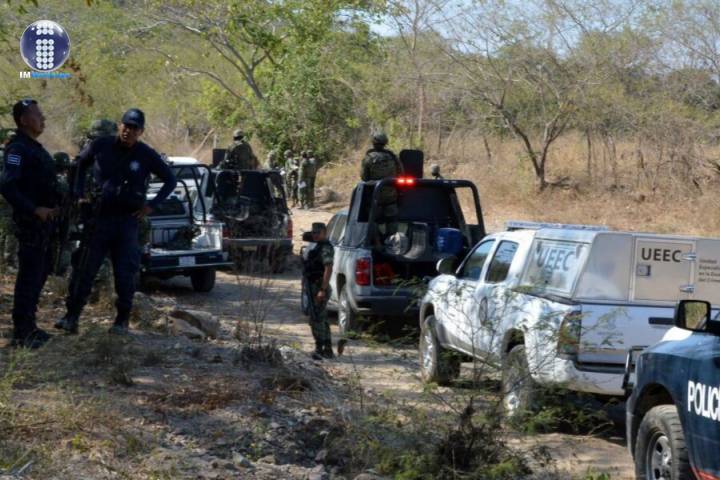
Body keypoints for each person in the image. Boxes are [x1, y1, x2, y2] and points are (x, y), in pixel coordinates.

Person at [55, 108, 177, 335]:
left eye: (134, 128)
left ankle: (121, 321)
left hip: (127, 222)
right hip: (99, 219)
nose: (128, 131)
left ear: (141, 131)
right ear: (120, 125)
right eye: (125, 126)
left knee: (125, 273)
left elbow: (170, 180)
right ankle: (71, 317)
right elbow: (79, 165)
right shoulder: (101, 145)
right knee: (84, 270)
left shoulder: (146, 154)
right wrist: (79, 194)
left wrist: (151, 206)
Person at [0, 99, 61, 348]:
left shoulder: (35, 148)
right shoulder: (17, 150)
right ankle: (22, 332)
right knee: (29, 276)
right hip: (30, 223)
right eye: (38, 115)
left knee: (39, 273)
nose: (43, 118)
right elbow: (6, 185)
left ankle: (30, 326)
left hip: (44, 224)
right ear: (24, 120)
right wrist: (34, 209)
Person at [360, 131, 404, 238]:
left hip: (375, 196)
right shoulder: (393, 157)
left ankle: (377, 242)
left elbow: (364, 177)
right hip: (391, 197)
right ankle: (392, 243)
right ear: (385, 143)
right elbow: (401, 173)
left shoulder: (368, 158)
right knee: (392, 221)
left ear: (373, 142)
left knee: (372, 220)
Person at [303, 222, 335, 359]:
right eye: (314, 232)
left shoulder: (325, 248)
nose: (315, 235)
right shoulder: (318, 246)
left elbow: (328, 268)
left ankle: (320, 348)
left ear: (324, 232)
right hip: (313, 286)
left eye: (318, 232)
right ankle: (327, 349)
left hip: (318, 287)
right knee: (322, 319)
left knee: (316, 319)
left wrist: (322, 289)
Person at [0, 129, 18, 272]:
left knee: (5, 228)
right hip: (8, 196)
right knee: (10, 229)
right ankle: (8, 261)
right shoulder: (14, 155)